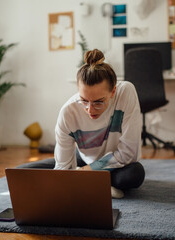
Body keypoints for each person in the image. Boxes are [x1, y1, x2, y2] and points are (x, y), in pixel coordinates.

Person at [19, 49, 145, 198]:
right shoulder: (68, 112)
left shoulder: (126, 93)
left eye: (98, 102)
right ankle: (99, 183)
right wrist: (69, 174)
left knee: (134, 174)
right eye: (84, 100)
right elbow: (62, 167)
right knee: (22, 173)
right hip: (85, 156)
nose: (90, 109)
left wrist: (85, 171)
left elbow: (129, 153)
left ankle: (88, 179)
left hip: (115, 162)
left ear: (113, 92)